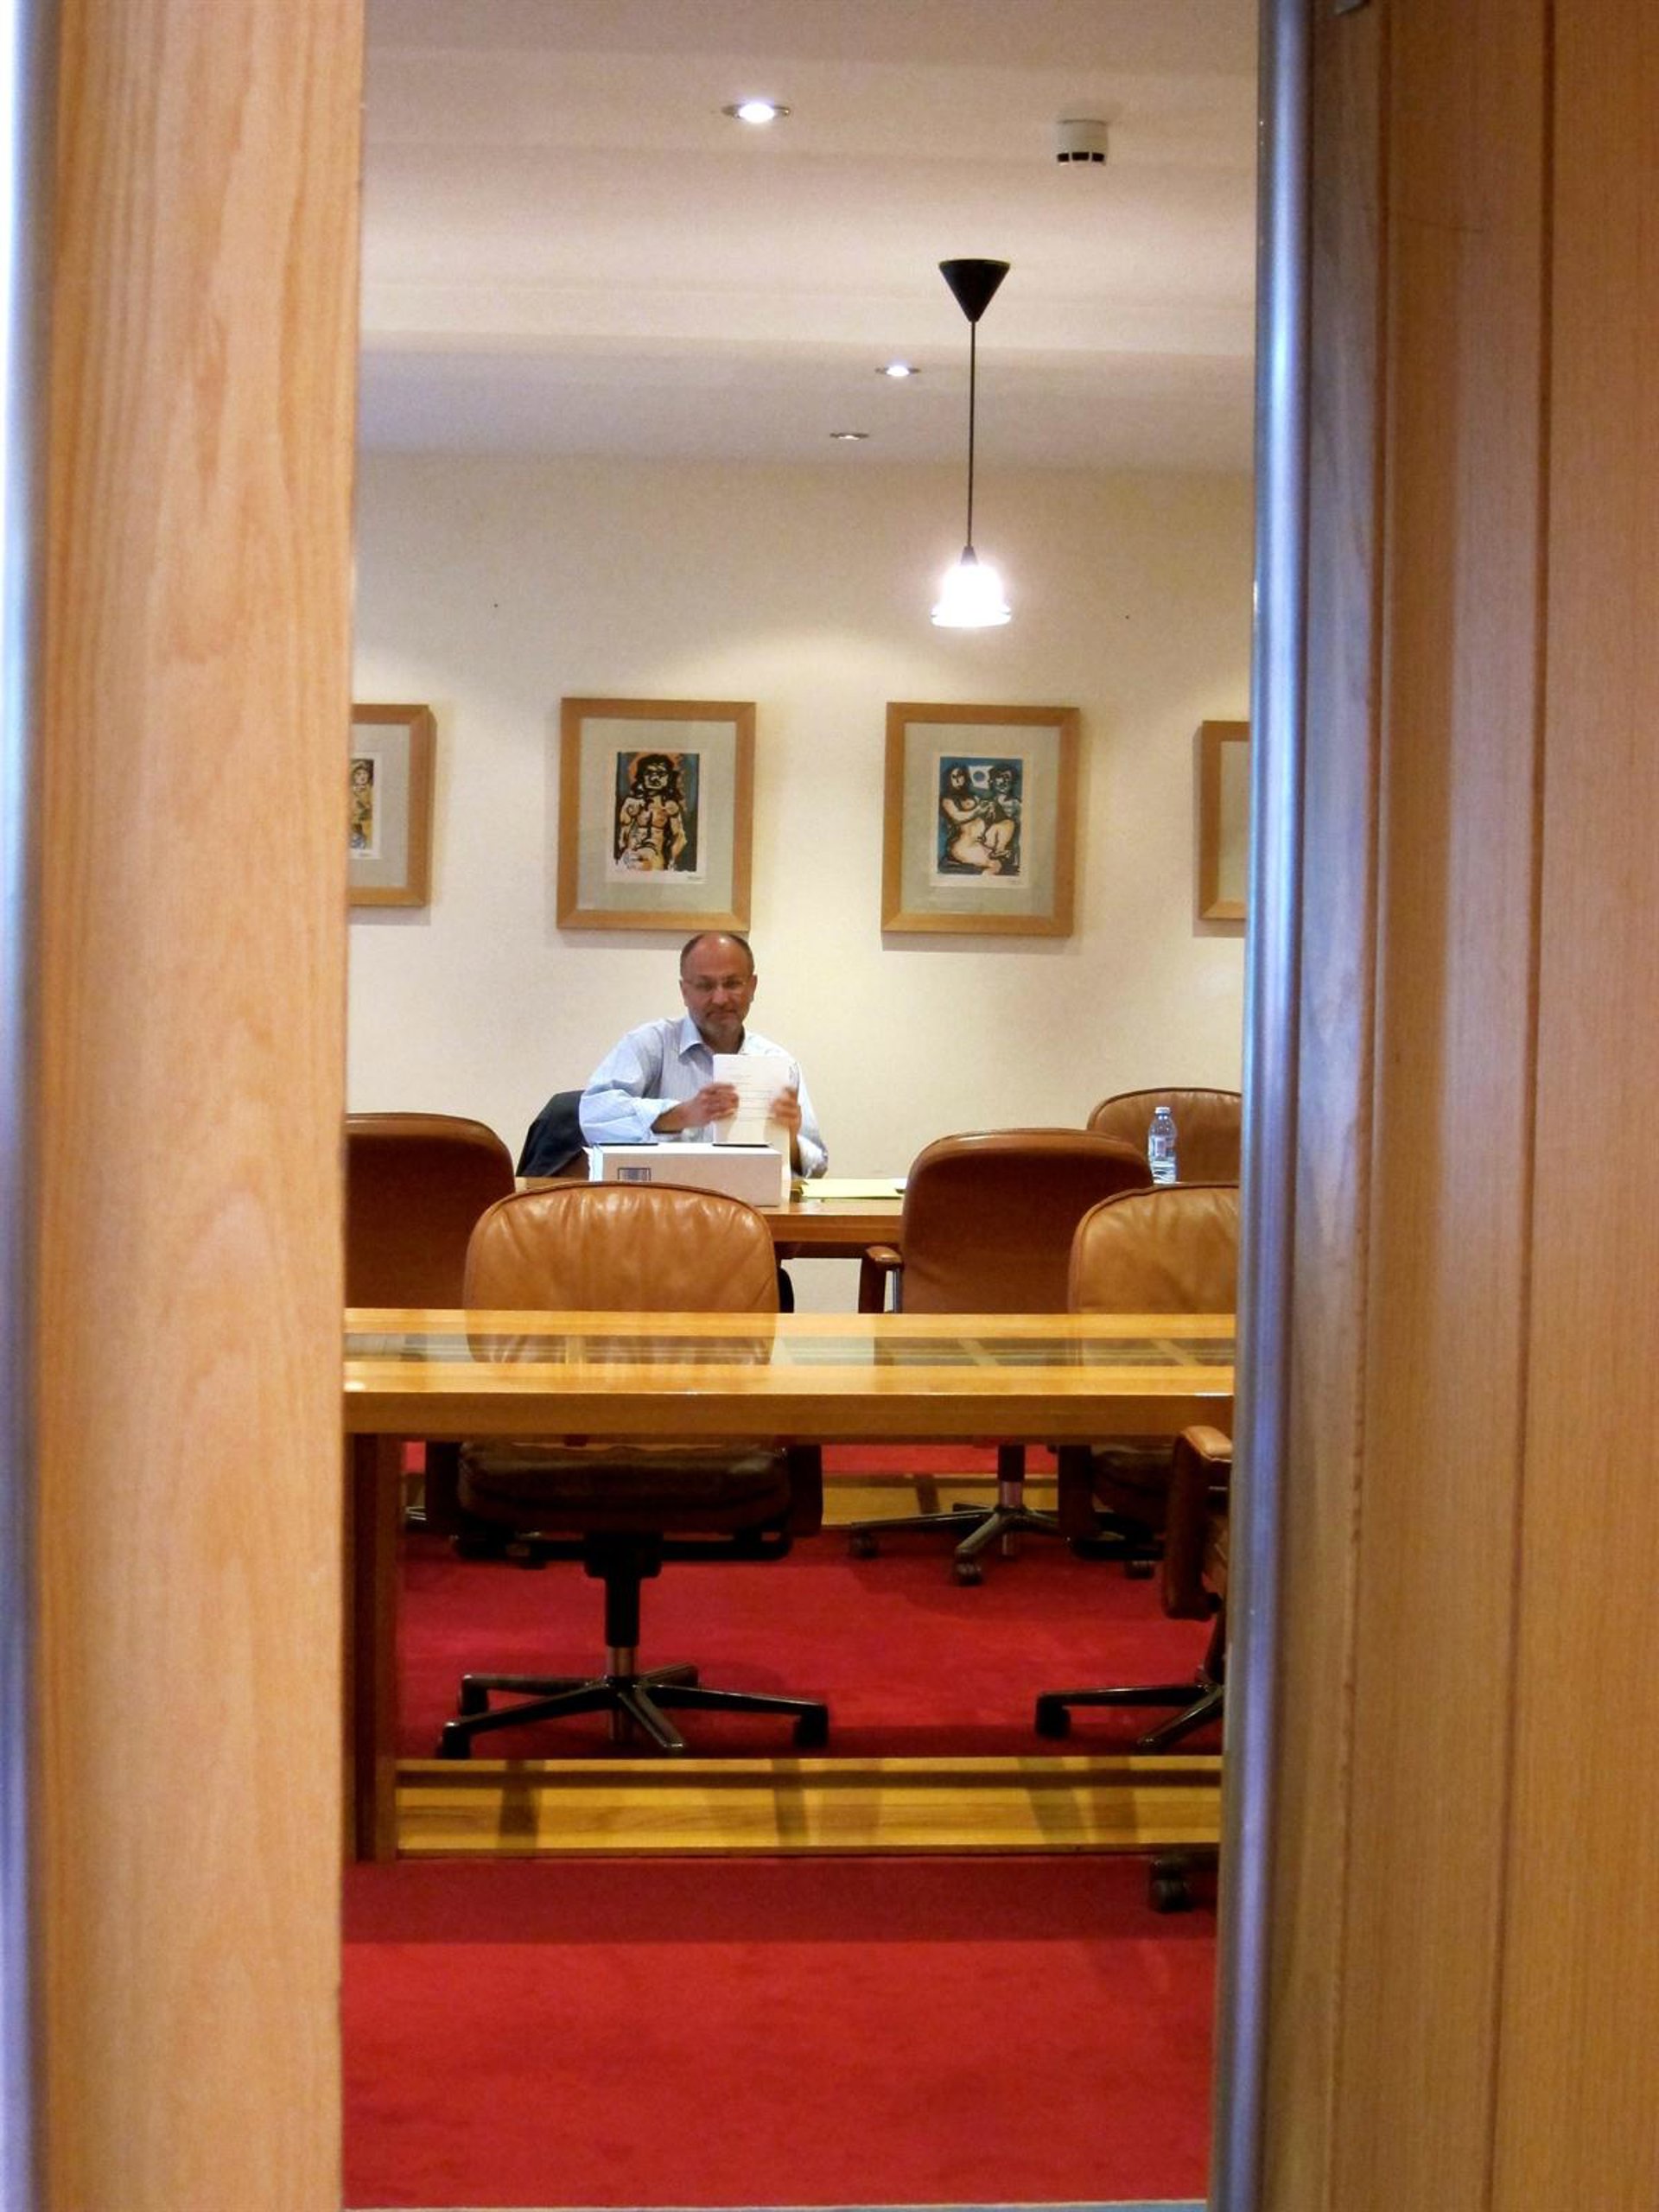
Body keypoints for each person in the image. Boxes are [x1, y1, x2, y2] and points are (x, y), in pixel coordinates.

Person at [579, 931, 828, 1179]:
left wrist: (790, 1142)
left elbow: (817, 1168)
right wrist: (682, 1115)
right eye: (705, 986)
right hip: (664, 1197)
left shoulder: (778, 1062)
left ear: (752, 987)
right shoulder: (651, 1044)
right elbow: (593, 1114)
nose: (720, 999)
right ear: (684, 992)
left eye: (732, 984)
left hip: (751, 1199)